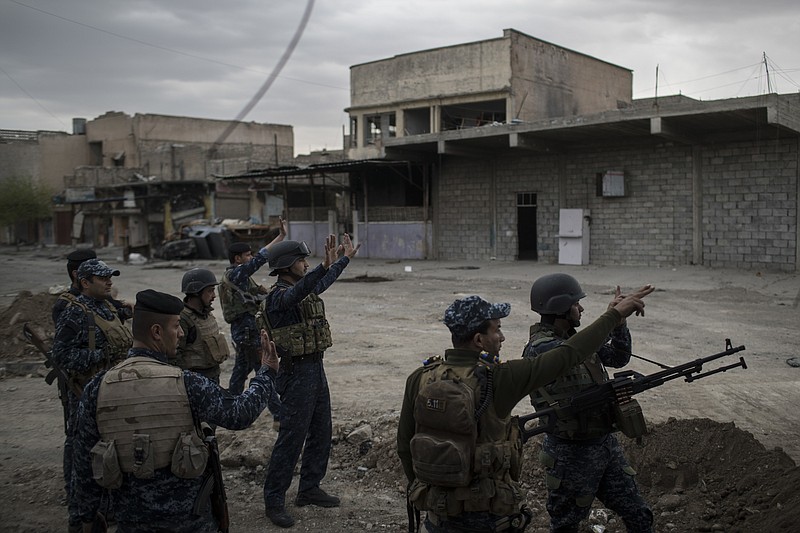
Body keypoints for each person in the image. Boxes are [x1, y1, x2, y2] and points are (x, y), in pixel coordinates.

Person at [397, 287, 654, 533]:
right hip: (487, 516)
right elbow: (570, 354)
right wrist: (615, 315)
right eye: (497, 330)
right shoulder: (499, 379)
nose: (502, 337)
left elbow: (404, 446)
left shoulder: (420, 377)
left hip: (438, 515)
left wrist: (432, 490)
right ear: (479, 340)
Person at [70, 289, 282, 533]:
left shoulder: (98, 388)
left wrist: (86, 519)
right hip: (191, 523)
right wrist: (266, 372)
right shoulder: (187, 383)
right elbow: (240, 414)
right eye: (176, 326)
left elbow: (84, 466)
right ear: (157, 332)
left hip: (131, 522)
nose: (181, 333)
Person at [522, 274, 654, 533]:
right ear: (561, 308)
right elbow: (571, 351)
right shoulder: (542, 349)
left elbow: (618, 357)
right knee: (567, 525)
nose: (581, 308)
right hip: (570, 456)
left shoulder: (576, 340)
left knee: (639, 514)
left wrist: (619, 323)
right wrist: (611, 317)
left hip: (604, 445)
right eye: (576, 304)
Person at [261, 234, 360, 528]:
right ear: (288, 265)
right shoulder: (278, 297)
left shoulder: (302, 290)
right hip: (295, 374)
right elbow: (298, 293)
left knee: (321, 429)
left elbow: (319, 285)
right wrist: (322, 266)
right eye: (302, 261)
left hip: (315, 368)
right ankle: (274, 500)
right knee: (292, 437)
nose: (306, 265)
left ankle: (309, 488)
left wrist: (343, 261)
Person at [51, 258, 134, 533]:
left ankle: (106, 509)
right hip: (86, 395)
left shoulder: (108, 307)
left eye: (110, 277)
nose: (109, 281)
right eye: (103, 278)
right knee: (85, 457)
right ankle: (80, 515)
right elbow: (61, 355)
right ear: (84, 282)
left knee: (113, 451)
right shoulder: (74, 312)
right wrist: (101, 355)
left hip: (113, 392)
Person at [219, 219, 286, 394]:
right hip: (247, 332)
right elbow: (260, 259)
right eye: (247, 255)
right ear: (237, 258)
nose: (250, 258)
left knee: (241, 371)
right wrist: (280, 237)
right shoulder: (236, 274)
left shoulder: (240, 277)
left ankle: (232, 404)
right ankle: (276, 412)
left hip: (246, 331)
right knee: (263, 370)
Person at [172, 268, 229, 383]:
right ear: (196, 292)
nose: (214, 296)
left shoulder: (206, 313)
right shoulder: (184, 319)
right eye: (210, 291)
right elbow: (176, 355)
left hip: (213, 375)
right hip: (196, 379)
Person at [52, 249, 133, 325]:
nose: (110, 282)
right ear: (76, 274)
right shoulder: (67, 306)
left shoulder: (100, 297)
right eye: (100, 277)